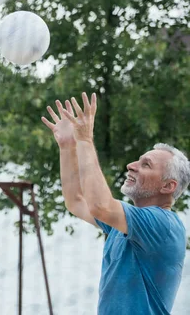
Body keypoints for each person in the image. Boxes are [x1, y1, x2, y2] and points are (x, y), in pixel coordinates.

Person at [42, 92, 188, 315]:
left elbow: (100, 205)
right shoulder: (125, 224)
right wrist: (67, 146)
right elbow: (77, 201)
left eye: (145, 164)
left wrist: (84, 139)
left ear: (168, 186)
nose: (131, 165)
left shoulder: (163, 225)